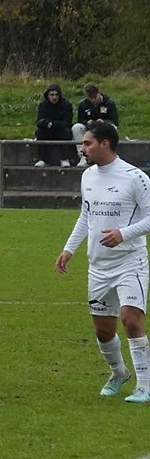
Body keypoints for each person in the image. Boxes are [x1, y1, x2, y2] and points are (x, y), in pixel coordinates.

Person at [55, 122, 150, 403]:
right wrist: (68, 249)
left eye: (87, 143)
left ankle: (144, 386)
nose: (82, 148)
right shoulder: (88, 176)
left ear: (105, 144)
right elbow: (86, 216)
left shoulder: (135, 178)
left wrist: (123, 234)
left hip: (130, 262)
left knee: (131, 320)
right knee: (103, 330)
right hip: (98, 266)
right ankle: (119, 373)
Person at [72, 83, 119, 167]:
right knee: (76, 127)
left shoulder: (109, 103)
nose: (93, 100)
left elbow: (114, 121)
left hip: (104, 128)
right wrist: (87, 122)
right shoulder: (83, 105)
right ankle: (83, 156)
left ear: (99, 93)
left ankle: (109, 154)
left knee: (113, 128)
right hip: (89, 129)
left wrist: (104, 122)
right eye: (90, 98)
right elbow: (80, 120)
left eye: (95, 97)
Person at [34, 84, 74, 168]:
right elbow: (39, 121)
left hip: (61, 130)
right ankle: (42, 159)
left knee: (66, 132)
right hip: (47, 130)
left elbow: (67, 122)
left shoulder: (66, 105)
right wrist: (46, 123)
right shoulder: (43, 105)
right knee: (40, 132)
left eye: (56, 95)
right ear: (47, 95)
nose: (54, 97)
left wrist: (53, 124)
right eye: (52, 95)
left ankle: (64, 158)